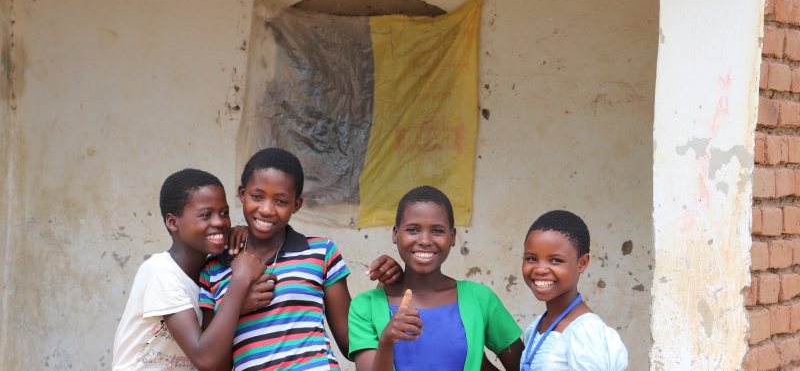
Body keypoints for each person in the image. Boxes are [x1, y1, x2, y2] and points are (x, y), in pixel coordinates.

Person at [199, 148, 402, 370]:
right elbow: (215, 364)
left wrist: (386, 287)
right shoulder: (214, 268)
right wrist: (236, 304)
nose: (266, 209)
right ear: (242, 193)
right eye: (257, 196)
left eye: (281, 201)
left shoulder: (321, 251)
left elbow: (350, 342)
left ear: (296, 205)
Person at [348, 185, 524, 371]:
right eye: (413, 230)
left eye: (437, 231)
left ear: (453, 236)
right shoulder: (365, 306)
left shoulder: (480, 299)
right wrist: (386, 341)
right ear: (395, 234)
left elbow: (524, 366)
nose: (425, 240)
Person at [112, 169, 270, 371]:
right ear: (172, 222)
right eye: (205, 215)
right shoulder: (161, 272)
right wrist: (239, 283)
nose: (219, 222)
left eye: (224, 213)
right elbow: (204, 358)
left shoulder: (210, 278)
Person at [519, 210, 628, 371]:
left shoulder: (585, 333)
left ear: (582, 263)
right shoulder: (536, 327)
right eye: (531, 259)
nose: (540, 269)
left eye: (556, 260)